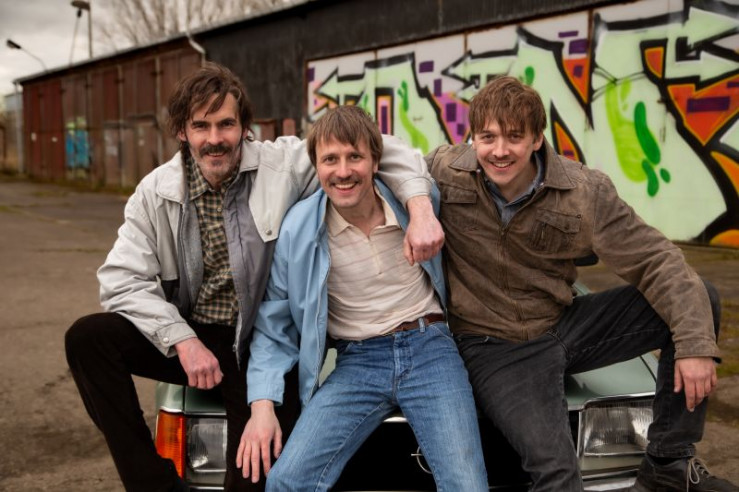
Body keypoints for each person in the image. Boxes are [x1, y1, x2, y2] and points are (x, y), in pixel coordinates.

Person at [64, 62, 444, 492]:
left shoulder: (282, 165)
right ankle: (153, 485)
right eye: (201, 126)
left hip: (257, 346)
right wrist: (182, 340)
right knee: (87, 338)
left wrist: (420, 210)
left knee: (254, 476)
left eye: (226, 124)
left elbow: (383, 147)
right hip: (194, 340)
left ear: (245, 127)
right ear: (182, 131)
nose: (214, 138)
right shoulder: (155, 193)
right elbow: (120, 280)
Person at [424, 75, 737, 492]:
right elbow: (382, 162)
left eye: (514, 137)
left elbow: (656, 260)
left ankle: (668, 460)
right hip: (495, 346)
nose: (499, 151)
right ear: (472, 138)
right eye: (488, 137)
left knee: (699, 298)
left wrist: (695, 346)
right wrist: (418, 208)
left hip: (565, 322)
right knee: (559, 478)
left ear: (537, 139)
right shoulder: (446, 171)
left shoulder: (583, 192)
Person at [236, 105, 488, 491]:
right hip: (358, 361)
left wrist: (422, 212)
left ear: (375, 161)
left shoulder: (418, 207)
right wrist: (262, 405)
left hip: (430, 348)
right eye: (330, 160)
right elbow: (275, 327)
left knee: (466, 484)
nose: (343, 171)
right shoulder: (297, 231)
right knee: (286, 480)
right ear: (316, 167)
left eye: (355, 157)